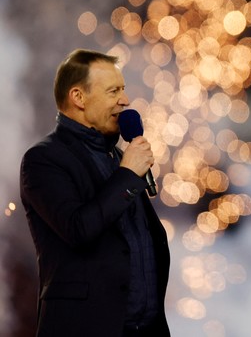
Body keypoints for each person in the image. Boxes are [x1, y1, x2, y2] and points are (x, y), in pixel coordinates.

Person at [19, 49, 170, 337]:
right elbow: (78, 228)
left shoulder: (117, 157)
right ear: (78, 97)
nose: (124, 100)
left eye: (123, 90)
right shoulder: (43, 160)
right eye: (113, 91)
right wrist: (127, 176)